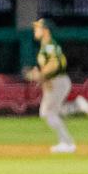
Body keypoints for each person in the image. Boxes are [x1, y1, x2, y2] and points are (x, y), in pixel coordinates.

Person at [29, 18, 78, 154]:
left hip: (58, 81)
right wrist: (42, 77)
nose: (35, 29)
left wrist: (41, 74)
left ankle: (67, 143)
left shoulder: (49, 45)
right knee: (49, 112)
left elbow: (55, 63)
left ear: (46, 30)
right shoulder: (47, 45)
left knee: (48, 112)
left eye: (38, 27)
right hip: (56, 81)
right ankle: (76, 107)